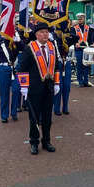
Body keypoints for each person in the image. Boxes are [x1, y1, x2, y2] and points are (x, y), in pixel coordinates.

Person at [17, 22, 61, 155]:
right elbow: (22, 68)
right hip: (34, 88)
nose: (45, 34)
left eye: (47, 32)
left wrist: (57, 83)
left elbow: (57, 66)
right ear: (36, 34)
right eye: (42, 32)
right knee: (34, 117)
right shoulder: (30, 48)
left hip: (49, 87)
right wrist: (24, 87)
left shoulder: (52, 46)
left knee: (47, 117)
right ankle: (34, 142)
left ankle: (46, 141)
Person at [0, 28, 23, 123]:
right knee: (4, 93)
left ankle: (14, 112)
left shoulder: (15, 42)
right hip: (4, 69)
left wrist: (18, 39)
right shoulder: (0, 42)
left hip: (14, 69)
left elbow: (23, 48)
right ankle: (4, 115)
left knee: (16, 89)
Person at [53, 21, 78, 116]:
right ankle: (56, 108)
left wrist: (67, 32)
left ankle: (65, 107)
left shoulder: (67, 38)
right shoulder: (53, 38)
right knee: (58, 86)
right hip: (57, 64)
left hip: (66, 63)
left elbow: (76, 38)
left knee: (67, 87)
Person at [73, 13, 94, 87]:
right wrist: (75, 43)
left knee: (86, 66)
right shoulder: (74, 28)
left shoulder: (89, 28)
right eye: (79, 19)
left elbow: (93, 38)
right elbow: (71, 38)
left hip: (87, 49)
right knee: (79, 66)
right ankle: (80, 82)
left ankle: (86, 81)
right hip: (78, 49)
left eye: (81, 18)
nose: (80, 20)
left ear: (84, 19)